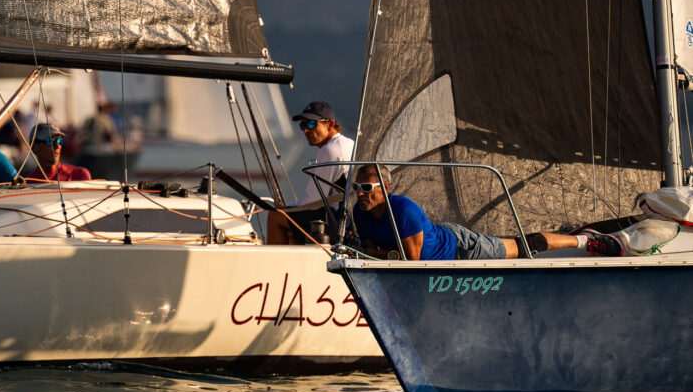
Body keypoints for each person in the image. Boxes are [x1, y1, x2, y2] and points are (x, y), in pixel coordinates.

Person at [351, 164, 623, 260]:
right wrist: (370, 252)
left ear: (385, 188)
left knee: (525, 247)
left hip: (460, 248)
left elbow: (411, 260)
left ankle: (585, 240)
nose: (360, 194)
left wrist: (373, 253)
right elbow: (372, 248)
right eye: (356, 188)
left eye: (366, 188)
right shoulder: (359, 212)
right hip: (440, 244)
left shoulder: (403, 210)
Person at [266, 101, 354, 245]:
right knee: (291, 223)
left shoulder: (329, 150)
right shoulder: (349, 143)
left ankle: (276, 260)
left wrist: (286, 209)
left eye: (312, 124)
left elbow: (314, 201)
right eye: (303, 125)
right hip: (347, 217)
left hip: (335, 220)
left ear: (330, 124)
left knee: (275, 216)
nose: (306, 130)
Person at [25, 123, 92, 181]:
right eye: (50, 141)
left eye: (60, 141)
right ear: (34, 147)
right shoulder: (28, 183)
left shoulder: (79, 175)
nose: (57, 146)